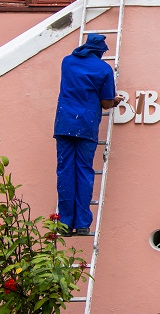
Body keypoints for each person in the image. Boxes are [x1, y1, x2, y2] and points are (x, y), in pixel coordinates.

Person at [54, 34, 123, 236]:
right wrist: (115, 99)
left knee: (65, 171)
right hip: (86, 124)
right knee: (84, 171)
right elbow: (106, 103)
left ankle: (65, 223)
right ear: (100, 51)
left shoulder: (67, 62)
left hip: (64, 123)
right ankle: (83, 223)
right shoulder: (103, 69)